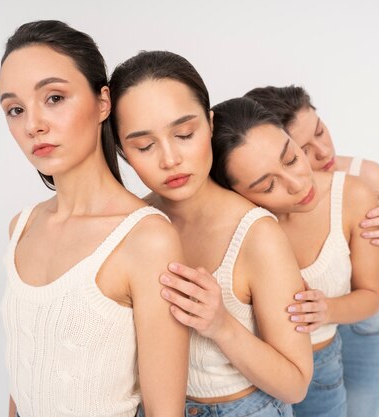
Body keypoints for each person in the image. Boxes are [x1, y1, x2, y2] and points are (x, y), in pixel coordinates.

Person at [0, 21, 188, 417]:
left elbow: (164, 411)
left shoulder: (146, 239)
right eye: (15, 109)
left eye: (53, 98)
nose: (33, 124)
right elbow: (24, 379)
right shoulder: (22, 227)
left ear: (103, 102)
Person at [109, 51, 313, 417]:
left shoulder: (256, 235)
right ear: (123, 151)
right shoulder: (129, 227)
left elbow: (295, 384)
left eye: (185, 133)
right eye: (144, 146)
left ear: (210, 123)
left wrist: (221, 325)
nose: (170, 159)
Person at [245, 85, 379, 417]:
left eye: (321, 131)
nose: (324, 152)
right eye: (303, 149)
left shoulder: (364, 177)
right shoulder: (263, 200)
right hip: (297, 343)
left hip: (359, 328)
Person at [209, 97, 379, 417]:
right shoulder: (241, 227)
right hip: (256, 385)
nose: (297, 184)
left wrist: (325, 309)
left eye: (292, 158)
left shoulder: (354, 195)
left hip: (323, 367)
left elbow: (371, 296)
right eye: (268, 185)